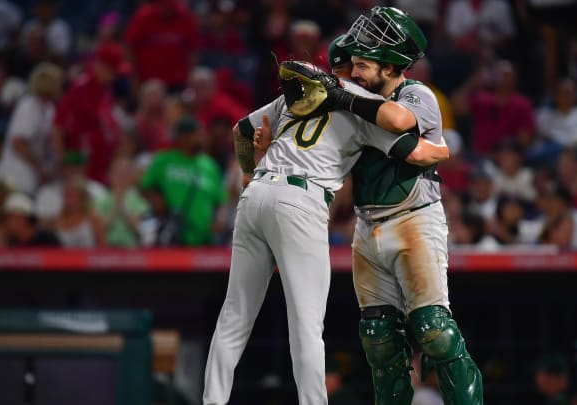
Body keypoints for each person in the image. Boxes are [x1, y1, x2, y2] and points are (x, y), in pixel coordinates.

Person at [203, 59, 450, 404]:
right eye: (359, 65)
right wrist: (443, 148)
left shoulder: (296, 94)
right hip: (301, 200)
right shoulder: (366, 106)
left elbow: (241, 131)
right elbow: (416, 153)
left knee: (234, 316)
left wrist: (247, 172)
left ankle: (212, 401)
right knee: (305, 325)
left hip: (257, 193)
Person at [332, 7, 483, 403]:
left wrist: (344, 94)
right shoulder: (353, 99)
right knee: (378, 338)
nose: (356, 70)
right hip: (367, 226)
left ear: (391, 65)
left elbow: (398, 123)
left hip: (414, 220)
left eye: (365, 63)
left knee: (433, 331)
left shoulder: (416, 94)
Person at [140, 116, 227, 246]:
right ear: (183, 137)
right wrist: (156, 201)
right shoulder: (163, 161)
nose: (201, 138)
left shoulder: (209, 165)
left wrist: (220, 219)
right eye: (197, 134)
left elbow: (221, 201)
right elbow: (144, 187)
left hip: (204, 239)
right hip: (173, 236)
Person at [52, 43, 126, 184]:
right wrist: (64, 161)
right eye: (112, 70)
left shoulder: (106, 91)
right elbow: (58, 126)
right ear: (100, 65)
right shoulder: (81, 88)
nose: (115, 76)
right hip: (82, 169)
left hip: (100, 170)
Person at [0, 62, 64, 195]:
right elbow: (17, 143)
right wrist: (40, 166)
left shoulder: (50, 108)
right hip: (17, 175)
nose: (61, 87)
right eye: (59, 83)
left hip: (34, 177)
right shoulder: (28, 106)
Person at [96, 157, 150, 248]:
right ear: (110, 175)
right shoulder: (100, 201)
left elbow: (142, 231)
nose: (121, 177)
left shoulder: (141, 202)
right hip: (105, 252)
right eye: (118, 173)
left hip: (132, 252)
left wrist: (125, 208)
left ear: (132, 177)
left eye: (125, 174)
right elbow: (97, 231)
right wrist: (115, 209)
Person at [54, 176, 106, 248]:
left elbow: (103, 245)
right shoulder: (58, 219)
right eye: (67, 195)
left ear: (82, 197)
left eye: (72, 195)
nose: (69, 199)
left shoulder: (93, 218)